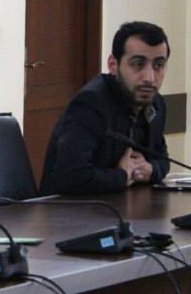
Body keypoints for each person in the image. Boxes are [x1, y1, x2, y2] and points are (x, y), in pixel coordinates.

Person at [40, 21, 171, 195]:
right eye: (138, 64)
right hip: (71, 209)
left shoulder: (155, 104)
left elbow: (162, 159)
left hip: (123, 204)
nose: (150, 77)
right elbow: (71, 177)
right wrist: (122, 176)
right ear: (113, 65)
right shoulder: (90, 104)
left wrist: (150, 170)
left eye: (158, 65)